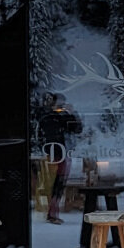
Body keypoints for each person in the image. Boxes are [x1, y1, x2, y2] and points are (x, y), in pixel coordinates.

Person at [37, 93, 83, 223]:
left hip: (57, 153)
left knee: (57, 183)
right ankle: (51, 212)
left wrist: (71, 114)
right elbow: (76, 128)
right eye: (59, 103)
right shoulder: (51, 117)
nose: (60, 106)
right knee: (54, 183)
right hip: (54, 153)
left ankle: (52, 212)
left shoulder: (55, 117)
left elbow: (77, 129)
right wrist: (72, 114)